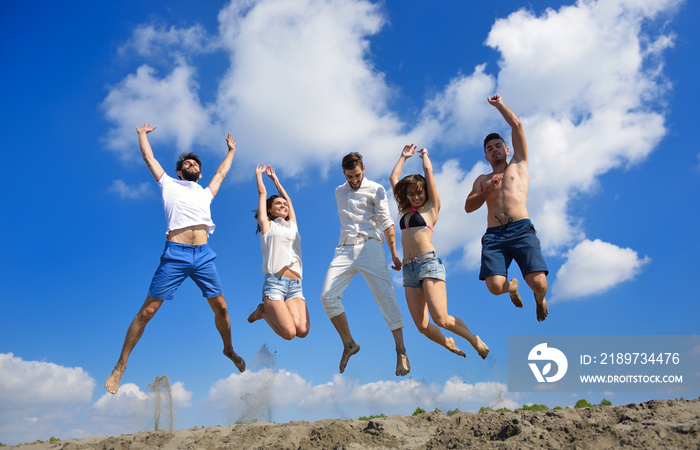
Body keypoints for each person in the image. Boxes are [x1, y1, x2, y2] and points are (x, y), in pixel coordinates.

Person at [104, 123, 246, 394]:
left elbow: (222, 172)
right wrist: (142, 135)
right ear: (180, 172)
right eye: (187, 163)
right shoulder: (168, 183)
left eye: (195, 163)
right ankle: (120, 365)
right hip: (175, 254)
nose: (192, 165)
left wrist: (231, 151)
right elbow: (149, 158)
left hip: (203, 255)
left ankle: (228, 349)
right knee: (147, 311)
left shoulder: (206, 192)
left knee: (223, 309)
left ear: (199, 173)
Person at [390, 144, 489, 359]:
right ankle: (447, 343)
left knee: (441, 318)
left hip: (428, 264)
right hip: (408, 271)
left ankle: (474, 339)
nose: (416, 197)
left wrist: (424, 155)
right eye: (411, 194)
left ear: (425, 191)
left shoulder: (431, 208)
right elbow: (393, 179)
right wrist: (403, 157)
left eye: (419, 192)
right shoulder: (406, 211)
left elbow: (428, 173)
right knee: (423, 326)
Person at [320, 152, 410, 376]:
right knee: (327, 296)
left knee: (385, 295)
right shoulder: (338, 191)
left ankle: (400, 350)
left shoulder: (376, 189)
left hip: (369, 245)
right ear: (344, 173)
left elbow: (386, 221)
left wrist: (393, 253)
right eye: (349, 176)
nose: (354, 180)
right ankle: (349, 344)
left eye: (357, 175)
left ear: (364, 169)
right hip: (343, 248)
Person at [465, 95, 549, 322]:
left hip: (521, 229)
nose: (494, 150)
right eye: (490, 148)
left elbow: (517, 125)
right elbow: (468, 207)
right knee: (494, 286)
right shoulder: (483, 178)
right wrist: (487, 191)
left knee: (539, 283)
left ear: (507, 149)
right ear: (485, 156)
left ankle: (539, 298)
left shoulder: (519, 165)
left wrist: (499, 105)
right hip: (494, 235)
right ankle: (512, 288)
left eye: (498, 146)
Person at [247, 164, 310, 339]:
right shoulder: (267, 226)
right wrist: (259, 176)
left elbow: (289, 199)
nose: (283, 206)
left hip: (296, 286)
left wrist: (276, 180)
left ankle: (267, 311)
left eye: (284, 205)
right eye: (278, 204)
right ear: (270, 210)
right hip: (275, 284)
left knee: (302, 331)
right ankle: (263, 312)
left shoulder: (293, 226)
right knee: (289, 333)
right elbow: (262, 194)